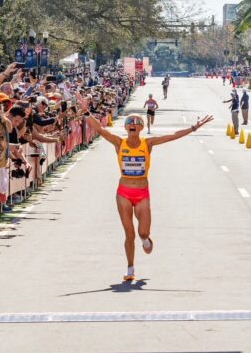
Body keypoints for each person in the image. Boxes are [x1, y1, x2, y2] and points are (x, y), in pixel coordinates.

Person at [85, 111, 214, 282]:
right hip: (123, 192)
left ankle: (145, 239)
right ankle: (130, 269)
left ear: (140, 127)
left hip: (142, 193)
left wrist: (193, 128)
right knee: (129, 233)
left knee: (143, 232)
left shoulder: (148, 143)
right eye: (130, 121)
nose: (133, 123)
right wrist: (86, 111)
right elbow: (100, 130)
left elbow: (172, 136)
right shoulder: (119, 142)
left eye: (136, 122)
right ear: (125, 127)